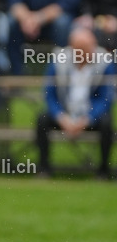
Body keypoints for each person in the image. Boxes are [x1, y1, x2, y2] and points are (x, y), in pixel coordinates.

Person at [36, 27, 115, 179]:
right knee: (42, 118)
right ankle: (44, 169)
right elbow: (49, 94)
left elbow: (106, 98)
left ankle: (103, 171)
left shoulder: (105, 62)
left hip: (91, 116)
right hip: (64, 114)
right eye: (81, 49)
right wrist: (61, 117)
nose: (87, 52)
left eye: (89, 47)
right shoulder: (59, 60)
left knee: (107, 122)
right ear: (72, 48)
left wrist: (88, 118)